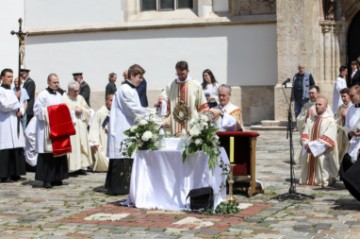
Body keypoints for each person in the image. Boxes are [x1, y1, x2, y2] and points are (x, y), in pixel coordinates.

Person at [106, 64, 146, 195]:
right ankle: (118, 187)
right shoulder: (125, 89)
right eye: (140, 77)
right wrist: (149, 114)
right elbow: (132, 109)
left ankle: (123, 185)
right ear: (132, 76)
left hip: (128, 126)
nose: (141, 80)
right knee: (122, 157)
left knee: (126, 157)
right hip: (122, 127)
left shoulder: (130, 89)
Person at [34, 73, 72, 188]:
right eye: (54, 82)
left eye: (57, 82)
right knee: (48, 154)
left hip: (58, 128)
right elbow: (37, 110)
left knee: (59, 153)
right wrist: (50, 113)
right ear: (48, 82)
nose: (56, 84)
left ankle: (57, 177)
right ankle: (47, 179)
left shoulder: (59, 95)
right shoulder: (42, 95)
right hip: (47, 129)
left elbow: (63, 108)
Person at [160, 60, 209, 136]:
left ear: (188, 71)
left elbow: (202, 104)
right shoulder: (171, 85)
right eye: (178, 74)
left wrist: (203, 120)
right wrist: (162, 101)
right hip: (175, 122)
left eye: (182, 74)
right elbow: (164, 97)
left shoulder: (196, 85)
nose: (180, 76)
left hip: (191, 121)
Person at [299, 96, 339, 187]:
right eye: (316, 104)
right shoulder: (311, 119)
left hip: (323, 153)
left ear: (326, 106)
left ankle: (323, 179)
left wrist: (311, 146)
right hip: (310, 152)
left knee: (323, 168)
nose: (317, 106)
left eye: (320, 104)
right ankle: (308, 178)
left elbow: (328, 138)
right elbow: (305, 133)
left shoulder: (330, 121)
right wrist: (306, 143)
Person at [0, 68, 26, 182]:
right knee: (5, 147)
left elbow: (20, 105)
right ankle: (4, 174)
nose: (11, 79)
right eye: (8, 77)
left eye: (11, 77)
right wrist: (16, 98)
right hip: (4, 122)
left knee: (16, 146)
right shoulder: (0, 91)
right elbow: (4, 106)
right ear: (2, 78)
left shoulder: (12, 90)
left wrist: (21, 111)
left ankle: (15, 172)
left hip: (15, 120)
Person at [63, 81, 93, 174]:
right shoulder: (64, 98)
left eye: (78, 90)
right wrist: (73, 112)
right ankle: (72, 167)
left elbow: (88, 110)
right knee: (74, 147)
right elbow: (62, 112)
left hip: (81, 126)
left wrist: (82, 110)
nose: (77, 93)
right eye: (74, 91)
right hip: (72, 127)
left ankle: (81, 167)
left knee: (82, 145)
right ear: (69, 90)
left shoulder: (80, 98)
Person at [339, 85, 360, 200]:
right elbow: (347, 126)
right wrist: (350, 132)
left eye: (352, 96)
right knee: (344, 173)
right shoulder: (351, 109)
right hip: (354, 143)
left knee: (354, 175)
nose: (350, 98)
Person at [89, 93, 113, 172]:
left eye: (114, 101)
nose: (112, 103)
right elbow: (94, 128)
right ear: (106, 101)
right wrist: (94, 141)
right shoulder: (100, 113)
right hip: (102, 141)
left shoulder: (117, 112)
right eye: (110, 100)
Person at [334, 88, 352, 162]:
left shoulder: (353, 107)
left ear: (349, 96)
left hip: (349, 134)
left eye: (345, 96)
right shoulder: (340, 107)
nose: (343, 98)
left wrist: (346, 116)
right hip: (342, 134)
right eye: (342, 97)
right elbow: (336, 120)